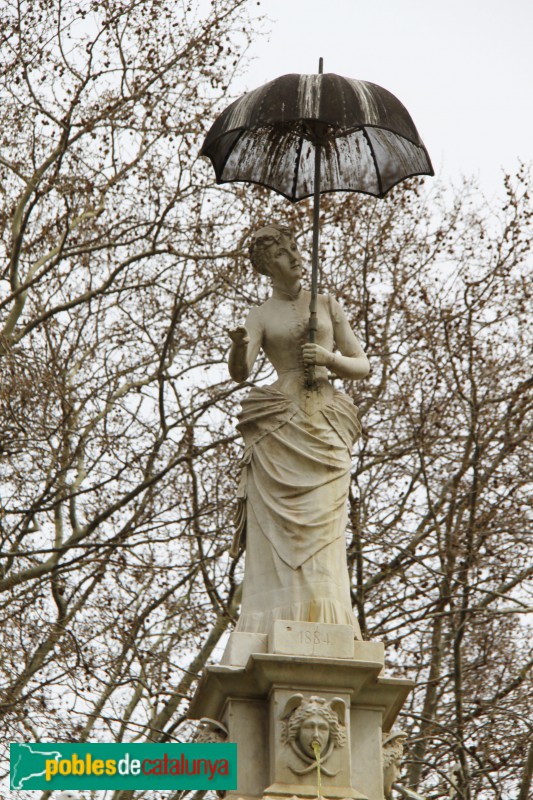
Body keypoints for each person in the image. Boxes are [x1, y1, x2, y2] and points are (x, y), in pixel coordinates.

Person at [228, 224, 369, 638]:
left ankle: (327, 615)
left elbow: (362, 364)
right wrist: (238, 345)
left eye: (294, 248)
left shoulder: (325, 303)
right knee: (280, 533)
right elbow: (241, 372)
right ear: (267, 266)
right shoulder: (260, 314)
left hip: (324, 422)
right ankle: (275, 613)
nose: (295, 257)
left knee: (326, 527)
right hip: (281, 426)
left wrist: (328, 358)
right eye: (283, 253)